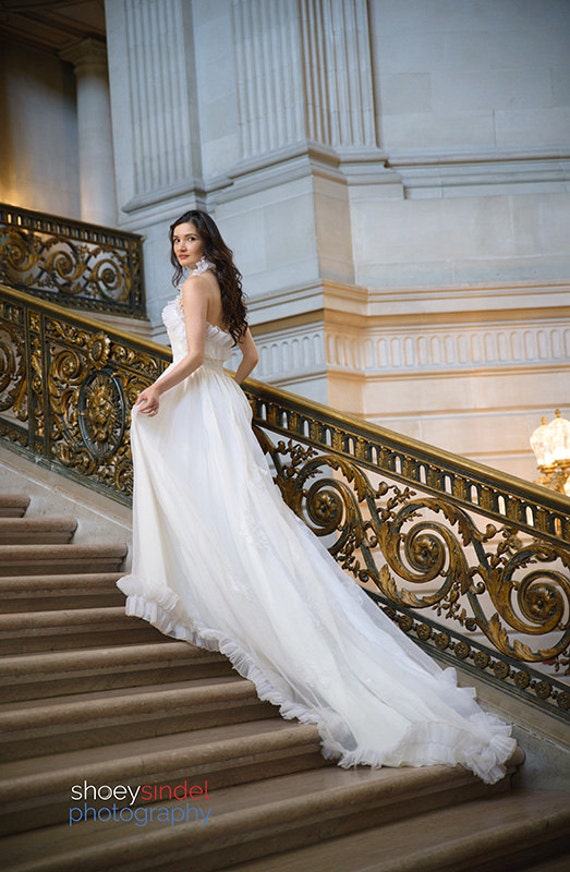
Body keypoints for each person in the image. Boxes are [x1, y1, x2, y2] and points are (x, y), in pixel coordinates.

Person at [118, 209, 516, 785]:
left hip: (199, 401)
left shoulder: (198, 284)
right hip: (216, 403)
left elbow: (195, 352)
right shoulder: (222, 285)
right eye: (175, 240)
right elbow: (246, 357)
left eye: (189, 239)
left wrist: (156, 388)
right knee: (235, 509)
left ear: (207, 243)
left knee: (221, 505)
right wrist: (228, 393)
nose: (180, 247)